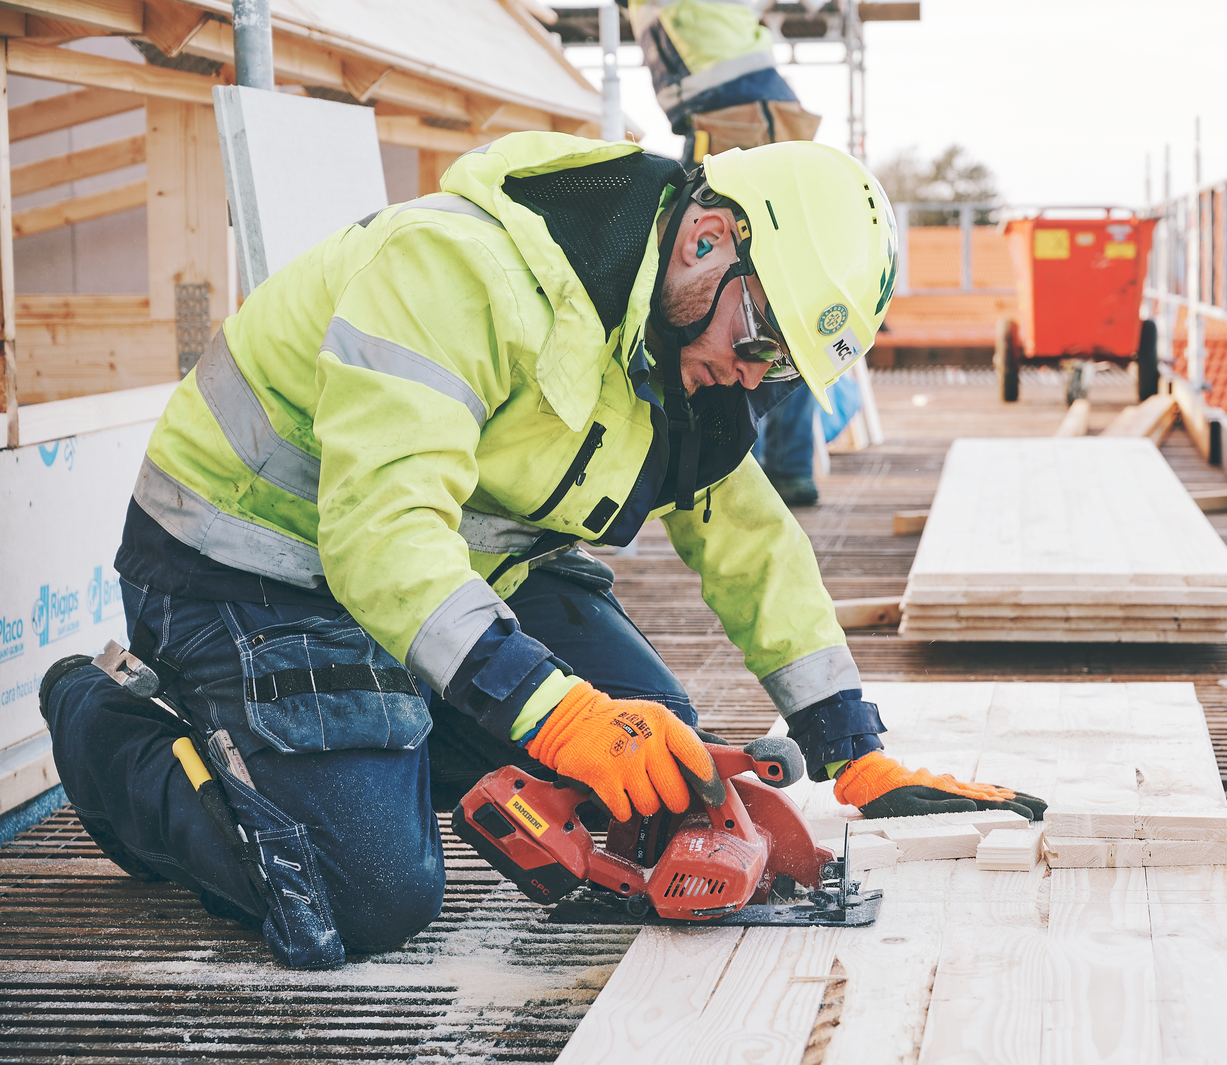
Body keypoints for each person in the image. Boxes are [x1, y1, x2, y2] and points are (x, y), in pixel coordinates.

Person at [38, 134, 1045, 970]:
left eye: (777, 367)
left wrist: (851, 748)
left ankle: (364, 734)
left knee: (658, 753)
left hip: (435, 578)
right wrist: (559, 715)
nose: (751, 376)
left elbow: (748, 538)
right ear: (706, 238)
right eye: (758, 340)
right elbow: (379, 537)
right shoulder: (458, 269)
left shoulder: (680, 344)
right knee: (367, 891)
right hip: (243, 568)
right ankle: (108, 725)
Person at [628, 0, 825, 506]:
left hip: (742, 110)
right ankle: (777, 467)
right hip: (740, 105)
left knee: (757, 314)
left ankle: (750, 468)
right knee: (766, 314)